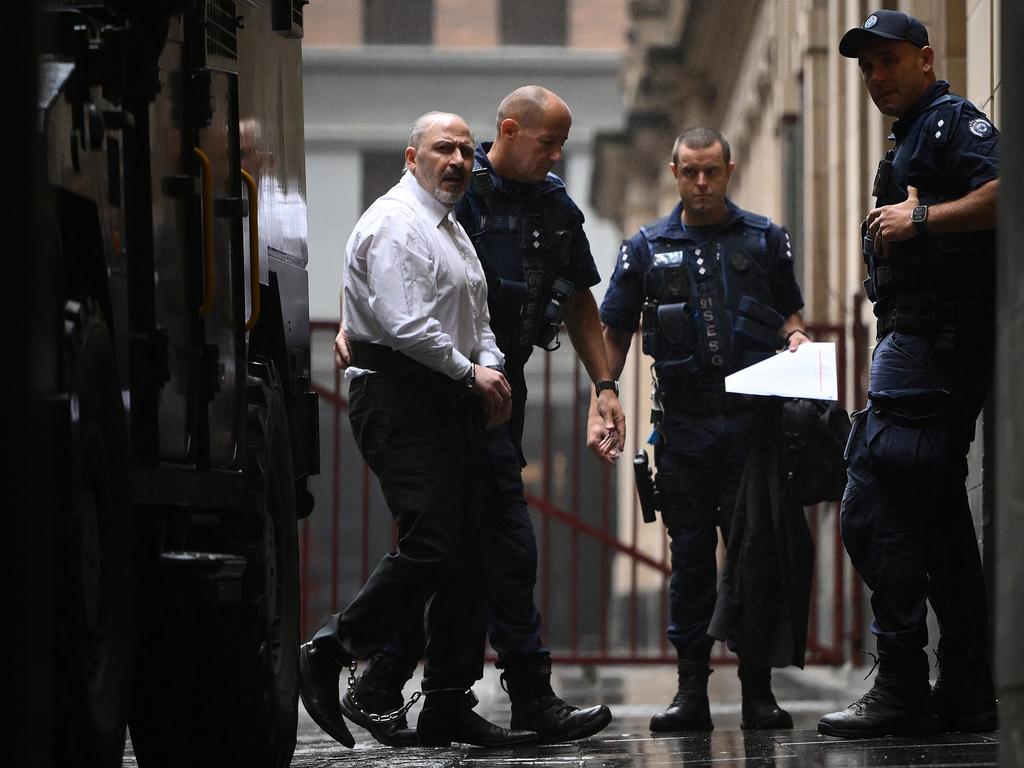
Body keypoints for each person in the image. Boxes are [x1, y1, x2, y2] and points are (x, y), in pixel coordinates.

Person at [335, 85, 625, 746]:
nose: (556, 156)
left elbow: (580, 296)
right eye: (547, 143)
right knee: (467, 543)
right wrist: (358, 324)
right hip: (437, 388)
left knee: (475, 547)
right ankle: (411, 677)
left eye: (562, 145)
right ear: (510, 129)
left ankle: (413, 689)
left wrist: (604, 382)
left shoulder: (554, 206)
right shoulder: (455, 186)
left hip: (496, 385)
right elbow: (388, 262)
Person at [298, 111, 538, 749]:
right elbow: (405, 325)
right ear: (412, 158)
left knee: (471, 548)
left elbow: (477, 318)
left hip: (446, 397)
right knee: (433, 535)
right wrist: (471, 373)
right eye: (442, 149)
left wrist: (487, 366)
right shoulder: (395, 224)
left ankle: (448, 703)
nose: (457, 160)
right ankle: (330, 649)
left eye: (465, 150)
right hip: (399, 397)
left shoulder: (452, 232)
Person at [592, 127, 811, 732]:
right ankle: (691, 693)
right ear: (673, 171)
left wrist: (794, 336)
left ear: (729, 170)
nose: (702, 183)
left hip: (751, 428)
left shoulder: (765, 239)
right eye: (690, 171)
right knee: (689, 560)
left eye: (711, 171)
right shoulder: (645, 246)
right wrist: (604, 393)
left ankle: (757, 693)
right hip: (684, 431)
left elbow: (789, 311)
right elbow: (613, 329)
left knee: (753, 560)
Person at [818, 10, 999, 738]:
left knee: (871, 504)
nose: (877, 77)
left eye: (888, 61)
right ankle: (964, 686)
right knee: (939, 519)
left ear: (925, 59)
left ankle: (901, 681)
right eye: (867, 67)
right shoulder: (911, 136)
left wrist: (919, 223)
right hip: (916, 343)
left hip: (936, 347)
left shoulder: (954, 122)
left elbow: (1004, 193)